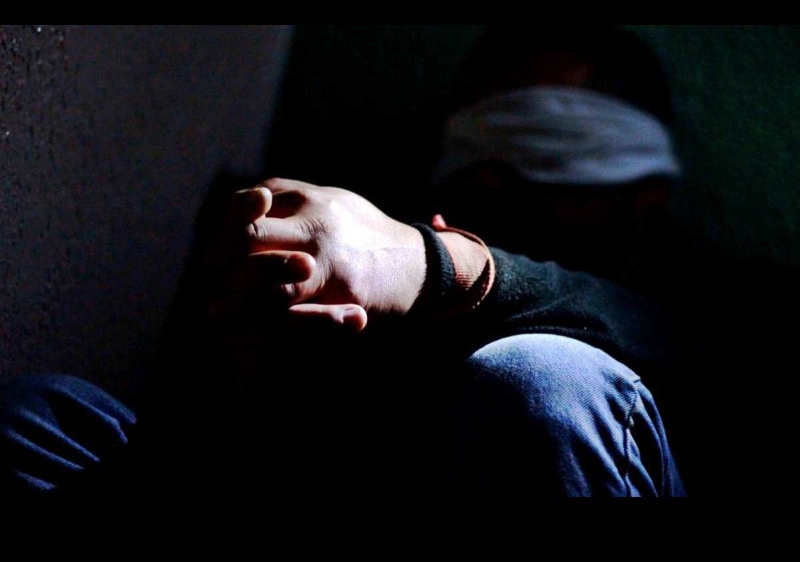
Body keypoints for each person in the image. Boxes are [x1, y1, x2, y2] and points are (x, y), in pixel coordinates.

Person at [0, 26, 688, 503]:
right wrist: (257, 380)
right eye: (481, 135)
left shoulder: (706, 309)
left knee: (545, 380)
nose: (491, 175)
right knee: (41, 420)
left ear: (647, 191)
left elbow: (663, 341)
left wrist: (433, 266)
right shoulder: (363, 262)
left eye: (546, 138)